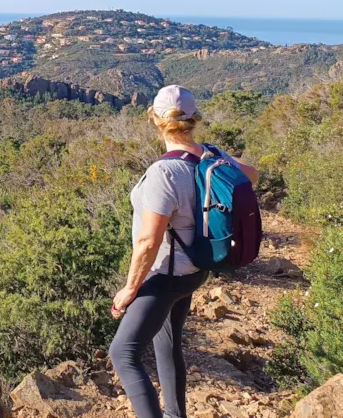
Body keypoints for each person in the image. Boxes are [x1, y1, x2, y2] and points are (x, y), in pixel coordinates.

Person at [108, 85, 259, 418]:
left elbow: (148, 241)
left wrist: (130, 289)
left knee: (123, 354)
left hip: (165, 276)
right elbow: (252, 175)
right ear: (194, 120)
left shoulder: (164, 172)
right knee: (167, 342)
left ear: (156, 121)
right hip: (195, 269)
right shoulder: (210, 154)